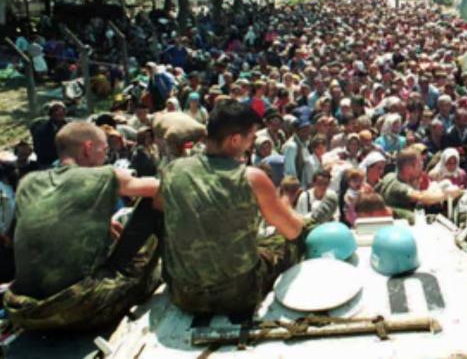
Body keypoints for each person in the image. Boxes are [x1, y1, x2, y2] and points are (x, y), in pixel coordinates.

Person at [3, 122, 161, 330]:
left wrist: (100, 222)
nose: (106, 157)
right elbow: (164, 188)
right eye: (104, 150)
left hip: (26, 311)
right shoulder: (105, 174)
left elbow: (12, 238)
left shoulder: (28, 183)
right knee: (153, 205)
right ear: (88, 148)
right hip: (82, 308)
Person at [158, 100, 307, 315]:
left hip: (185, 295)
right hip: (238, 296)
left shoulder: (172, 170)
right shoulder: (251, 177)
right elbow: (292, 230)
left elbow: (160, 207)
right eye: (251, 139)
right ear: (235, 140)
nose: (251, 145)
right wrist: (286, 205)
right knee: (293, 237)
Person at [375, 147, 463, 219]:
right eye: (420, 165)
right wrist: (447, 195)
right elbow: (421, 197)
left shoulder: (389, 176)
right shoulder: (399, 187)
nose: (422, 169)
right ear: (409, 168)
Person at [30, 101, 68, 167]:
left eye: (62, 110)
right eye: (56, 110)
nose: (60, 111)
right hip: (48, 163)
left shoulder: (70, 127)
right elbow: (39, 150)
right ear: (50, 113)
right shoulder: (41, 130)